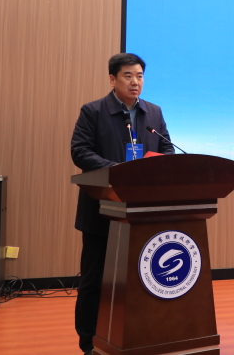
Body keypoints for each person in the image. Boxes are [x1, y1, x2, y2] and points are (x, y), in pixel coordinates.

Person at [70, 53, 175, 355]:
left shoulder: (153, 112)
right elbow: (80, 151)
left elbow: (166, 148)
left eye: (139, 76)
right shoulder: (93, 111)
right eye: (128, 75)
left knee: (141, 280)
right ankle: (89, 343)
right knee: (94, 281)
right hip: (102, 211)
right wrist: (117, 170)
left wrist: (158, 166)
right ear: (112, 79)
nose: (135, 82)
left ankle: (138, 338)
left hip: (143, 214)